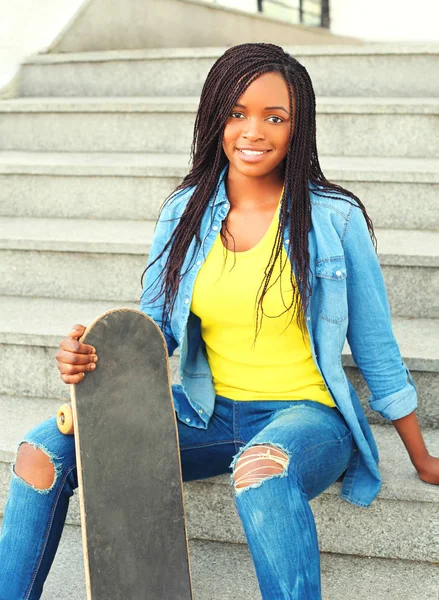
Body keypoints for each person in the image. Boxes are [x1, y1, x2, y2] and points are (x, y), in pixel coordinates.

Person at [0, 42, 437, 600]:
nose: (253, 131)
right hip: (207, 410)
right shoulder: (182, 212)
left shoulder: (334, 218)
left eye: (274, 117)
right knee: (40, 452)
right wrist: (97, 360)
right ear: (215, 118)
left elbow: (376, 347)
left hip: (308, 418)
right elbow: (154, 327)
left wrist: (419, 458)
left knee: (261, 468)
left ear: (297, 127)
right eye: (237, 113)